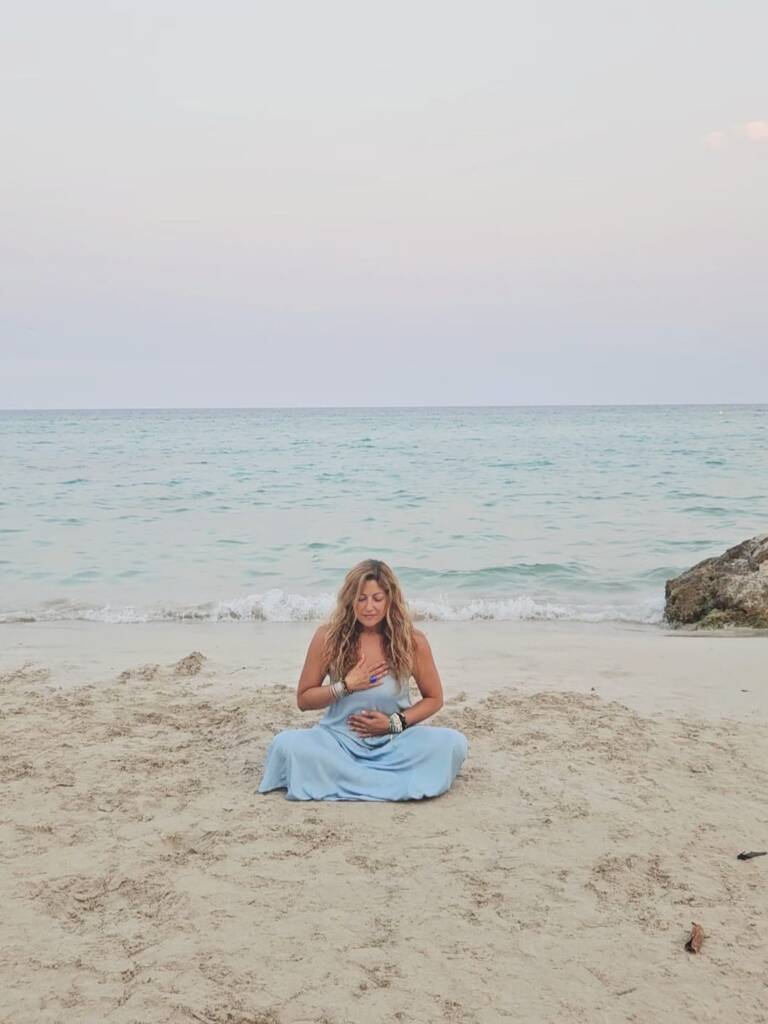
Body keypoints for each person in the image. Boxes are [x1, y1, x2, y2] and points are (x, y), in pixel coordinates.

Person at [257, 559, 468, 801]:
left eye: (377, 599)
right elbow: (304, 700)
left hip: (394, 743)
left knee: (453, 743)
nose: (369, 607)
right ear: (350, 600)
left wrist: (393, 724)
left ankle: (348, 780)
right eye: (361, 599)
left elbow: (434, 698)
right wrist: (345, 686)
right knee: (286, 745)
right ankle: (384, 782)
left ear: (390, 599)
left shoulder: (412, 641)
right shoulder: (327, 637)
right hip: (336, 742)